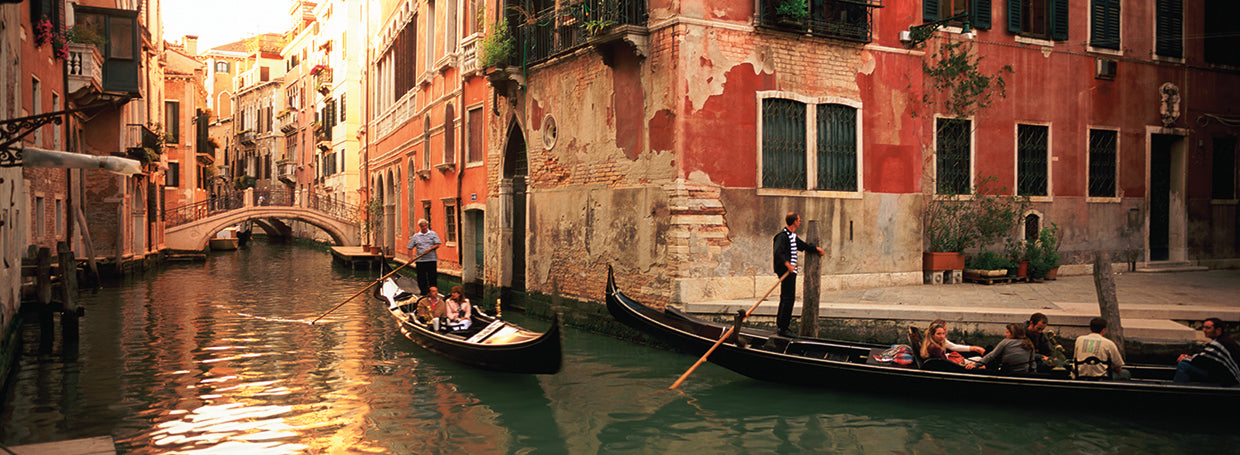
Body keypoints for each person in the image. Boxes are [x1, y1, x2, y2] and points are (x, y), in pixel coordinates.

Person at [772, 212, 824, 338]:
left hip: (790, 272)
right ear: (794, 221)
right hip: (786, 272)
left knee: (785, 298)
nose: (800, 222)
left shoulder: (792, 236)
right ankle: (783, 328)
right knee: (788, 299)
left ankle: (781, 325)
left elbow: (803, 246)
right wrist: (788, 265)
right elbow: (778, 253)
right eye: (799, 220)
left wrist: (816, 249)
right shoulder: (782, 236)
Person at [1173, 318, 1240, 385]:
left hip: (1229, 380)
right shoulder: (1225, 340)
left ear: (1218, 330)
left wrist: (1184, 358)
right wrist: (1189, 358)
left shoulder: (1219, 344)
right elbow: (1206, 358)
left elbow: (1201, 360)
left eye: (1208, 328)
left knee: (1183, 365)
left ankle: (1179, 389)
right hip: (1226, 376)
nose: (1204, 330)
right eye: (1204, 327)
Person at [406, 219, 442, 296]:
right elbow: (409, 247)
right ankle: (423, 293)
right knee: (421, 278)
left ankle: (433, 293)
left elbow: (438, 244)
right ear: (420, 227)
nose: (425, 227)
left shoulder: (433, 234)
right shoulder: (416, 236)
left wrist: (430, 249)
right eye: (423, 226)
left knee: (432, 277)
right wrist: (410, 258)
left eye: (425, 226)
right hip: (420, 260)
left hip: (431, 259)